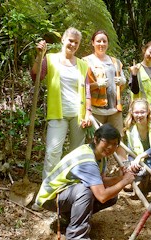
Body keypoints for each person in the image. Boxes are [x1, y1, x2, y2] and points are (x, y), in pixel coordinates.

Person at [32, 123, 135, 240]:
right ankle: (77, 236)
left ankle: (69, 217)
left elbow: (100, 181)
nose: (110, 147)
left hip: (65, 194)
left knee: (111, 195)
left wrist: (119, 179)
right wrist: (124, 182)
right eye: (106, 142)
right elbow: (101, 196)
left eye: (114, 144)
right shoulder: (87, 160)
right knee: (85, 191)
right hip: (49, 198)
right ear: (96, 139)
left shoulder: (99, 156)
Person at [31, 27, 92, 180]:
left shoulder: (82, 65)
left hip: (78, 115)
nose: (73, 45)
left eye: (76, 43)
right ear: (63, 40)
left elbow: (88, 91)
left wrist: (88, 114)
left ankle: (69, 187)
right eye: (70, 40)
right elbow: (35, 76)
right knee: (53, 152)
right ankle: (47, 192)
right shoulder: (50, 58)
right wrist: (39, 56)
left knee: (76, 153)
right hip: (58, 113)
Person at [83, 30, 127, 160]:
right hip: (96, 110)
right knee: (95, 142)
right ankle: (93, 171)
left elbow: (121, 81)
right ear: (93, 43)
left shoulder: (116, 62)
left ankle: (125, 171)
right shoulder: (86, 62)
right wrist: (97, 84)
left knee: (119, 140)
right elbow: (81, 87)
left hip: (114, 109)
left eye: (104, 41)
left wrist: (123, 81)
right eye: (98, 41)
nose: (101, 44)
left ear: (108, 43)